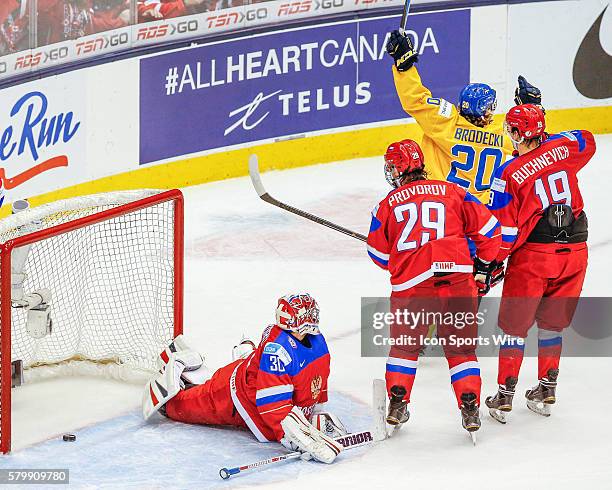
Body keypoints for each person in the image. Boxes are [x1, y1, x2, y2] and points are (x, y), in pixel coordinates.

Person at [366, 138, 501, 438]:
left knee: (404, 348)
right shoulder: (454, 191)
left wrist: (403, 259)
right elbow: (492, 232)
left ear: (398, 169)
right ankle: (470, 406)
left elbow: (378, 256)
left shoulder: (386, 205)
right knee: (461, 350)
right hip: (458, 280)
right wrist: (483, 266)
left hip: (413, 287)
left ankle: (397, 404)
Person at [484, 105, 596, 422]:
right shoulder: (564, 147)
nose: (511, 136)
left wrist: (491, 261)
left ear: (523, 133)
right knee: (551, 324)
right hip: (575, 253)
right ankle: (547, 387)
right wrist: (551, 145)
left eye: (514, 130)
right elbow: (588, 140)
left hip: (534, 256)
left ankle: (505, 394)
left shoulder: (507, 173)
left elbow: (504, 230)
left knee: (514, 327)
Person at [142, 293, 346, 464]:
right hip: (237, 397)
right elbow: (271, 408)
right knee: (180, 407)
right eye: (307, 313)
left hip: (247, 372)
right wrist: (293, 436)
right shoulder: (278, 350)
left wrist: (310, 414)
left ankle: (237, 356)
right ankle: (174, 388)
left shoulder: (316, 341)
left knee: (233, 371)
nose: (312, 316)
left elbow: (315, 382)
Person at [385, 30, 543, 205]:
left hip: (443, 205)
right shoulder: (505, 136)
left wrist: (404, 66)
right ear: (488, 111)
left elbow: (415, 100)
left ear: (460, 106)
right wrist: (533, 109)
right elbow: (535, 144)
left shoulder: (444, 122)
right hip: (482, 213)